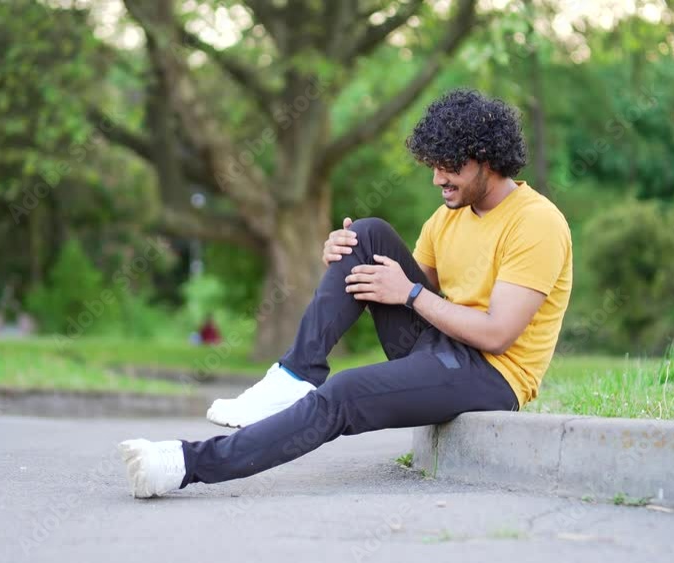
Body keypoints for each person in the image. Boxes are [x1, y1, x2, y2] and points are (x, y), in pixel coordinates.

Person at [117, 89, 573, 498]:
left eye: (449, 166)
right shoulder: (448, 217)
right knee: (365, 235)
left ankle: (185, 464)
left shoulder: (535, 222)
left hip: (490, 375)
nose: (437, 178)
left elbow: (496, 334)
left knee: (345, 393)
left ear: (486, 158)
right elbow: (409, 288)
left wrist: (410, 293)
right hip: (442, 346)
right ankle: (294, 375)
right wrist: (343, 259)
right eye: (433, 166)